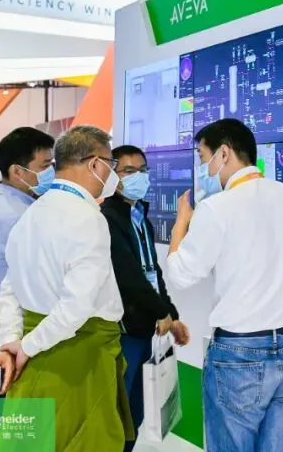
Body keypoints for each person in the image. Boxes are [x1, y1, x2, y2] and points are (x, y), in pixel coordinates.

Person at [166, 119, 283, 452]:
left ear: (224, 153)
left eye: (203, 157)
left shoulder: (216, 208)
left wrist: (180, 225)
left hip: (239, 353)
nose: (205, 169)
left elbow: (181, 274)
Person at [0, 125, 133, 451]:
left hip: (37, 353)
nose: (113, 174)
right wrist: (25, 347)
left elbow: (9, 290)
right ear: (95, 164)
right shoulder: (87, 218)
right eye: (111, 164)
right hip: (77, 359)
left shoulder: (31, 214)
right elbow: (76, 307)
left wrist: (10, 343)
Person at [101, 144, 190, 450]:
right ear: (111, 176)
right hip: (123, 332)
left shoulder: (140, 217)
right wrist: (162, 313)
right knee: (118, 414)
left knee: (134, 412)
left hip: (145, 331)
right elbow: (130, 279)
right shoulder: (108, 219)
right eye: (128, 171)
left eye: (142, 170)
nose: (138, 176)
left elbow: (153, 272)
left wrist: (171, 314)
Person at [0, 126, 55, 398]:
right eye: (45, 166)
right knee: (12, 416)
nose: (52, 172)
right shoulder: (17, 215)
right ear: (17, 171)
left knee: (0, 412)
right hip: (11, 332)